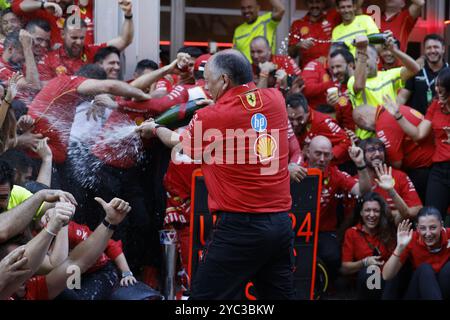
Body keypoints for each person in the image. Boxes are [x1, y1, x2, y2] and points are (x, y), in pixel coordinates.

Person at [136, 49, 294, 300]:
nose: (207, 88)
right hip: (281, 224)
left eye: (209, 81)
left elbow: (178, 142)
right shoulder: (275, 99)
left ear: (224, 80)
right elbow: (244, 116)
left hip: (241, 227)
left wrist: (155, 129)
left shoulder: (211, 116)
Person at [1, 196, 132, 300]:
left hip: (99, 270)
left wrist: (109, 222)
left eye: (26, 262)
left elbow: (74, 263)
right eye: (16, 265)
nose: (24, 271)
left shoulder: (31, 289)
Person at [297, 135, 371, 285]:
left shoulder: (335, 173)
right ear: (307, 153)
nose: (322, 159)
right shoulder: (297, 171)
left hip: (323, 231)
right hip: (295, 229)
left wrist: (360, 164)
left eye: (326, 155)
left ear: (332, 155)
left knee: (333, 257)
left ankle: (325, 289)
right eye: (318, 153)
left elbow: (362, 190)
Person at [382, 68, 450, 221]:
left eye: (442, 88)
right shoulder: (436, 105)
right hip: (439, 170)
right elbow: (418, 134)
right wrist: (397, 115)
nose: (437, 90)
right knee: (431, 216)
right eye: (437, 86)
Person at [353, 104, 435, 202]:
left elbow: (396, 163)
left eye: (359, 126)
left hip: (422, 168)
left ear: (362, 120)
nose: (363, 130)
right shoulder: (395, 108)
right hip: (432, 157)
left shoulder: (383, 124)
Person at [37, 0, 134, 82]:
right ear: (63, 34)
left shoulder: (91, 51)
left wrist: (128, 15)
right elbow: (45, 91)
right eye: (74, 38)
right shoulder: (48, 59)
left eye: (82, 38)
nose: (79, 42)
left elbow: (124, 40)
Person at [348, 34, 420, 139]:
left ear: (377, 60)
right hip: (367, 139)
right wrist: (362, 52)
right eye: (357, 59)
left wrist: (394, 51)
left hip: (391, 133)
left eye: (366, 57)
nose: (361, 62)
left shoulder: (389, 74)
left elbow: (415, 69)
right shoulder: (353, 80)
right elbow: (359, 85)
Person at [383, 208, 450, 300]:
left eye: (433, 227)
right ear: (417, 228)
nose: (428, 233)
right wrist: (400, 247)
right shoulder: (410, 239)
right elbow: (386, 276)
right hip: (417, 291)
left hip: (443, 289)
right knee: (425, 269)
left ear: (441, 225)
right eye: (423, 228)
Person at [341, 192, 396, 299]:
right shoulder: (352, 233)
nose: (371, 215)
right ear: (361, 212)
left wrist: (390, 190)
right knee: (372, 270)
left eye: (376, 211)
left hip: (387, 283)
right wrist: (365, 262)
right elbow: (344, 268)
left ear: (381, 213)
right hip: (364, 284)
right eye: (367, 210)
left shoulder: (388, 231)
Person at [358, 138, 423, 224]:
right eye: (371, 150)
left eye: (380, 150)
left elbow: (418, 209)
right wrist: (387, 213)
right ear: (362, 154)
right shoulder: (356, 179)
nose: (377, 154)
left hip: (394, 228)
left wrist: (397, 212)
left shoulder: (399, 176)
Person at [286, 93, 351, 165]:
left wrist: (327, 157)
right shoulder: (282, 122)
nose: (295, 123)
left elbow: (347, 141)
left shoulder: (322, 122)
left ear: (307, 111)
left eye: (299, 118)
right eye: (291, 119)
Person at [398, 34, 449, 115]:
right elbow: (402, 97)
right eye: (429, 48)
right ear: (424, 50)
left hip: (441, 123)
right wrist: (391, 113)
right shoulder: (416, 70)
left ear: (443, 49)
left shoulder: (448, 72)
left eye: (436, 47)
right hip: (417, 122)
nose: (432, 51)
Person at [12, 0, 95, 47]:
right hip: (56, 70)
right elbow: (17, 7)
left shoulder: (86, 4)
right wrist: (42, 5)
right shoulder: (46, 9)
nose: (58, 1)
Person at [288, 0, 339, 68]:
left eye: (318, 2)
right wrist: (298, 45)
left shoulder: (332, 17)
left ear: (323, 3)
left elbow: (345, 6)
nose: (314, 6)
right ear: (306, 3)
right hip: (307, 72)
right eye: (311, 2)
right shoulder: (297, 24)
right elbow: (291, 54)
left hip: (330, 70)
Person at [326, 48, 356, 131]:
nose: (335, 71)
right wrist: (332, 107)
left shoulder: (365, 82)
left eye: (338, 66)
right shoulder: (337, 89)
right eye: (332, 68)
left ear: (350, 65)